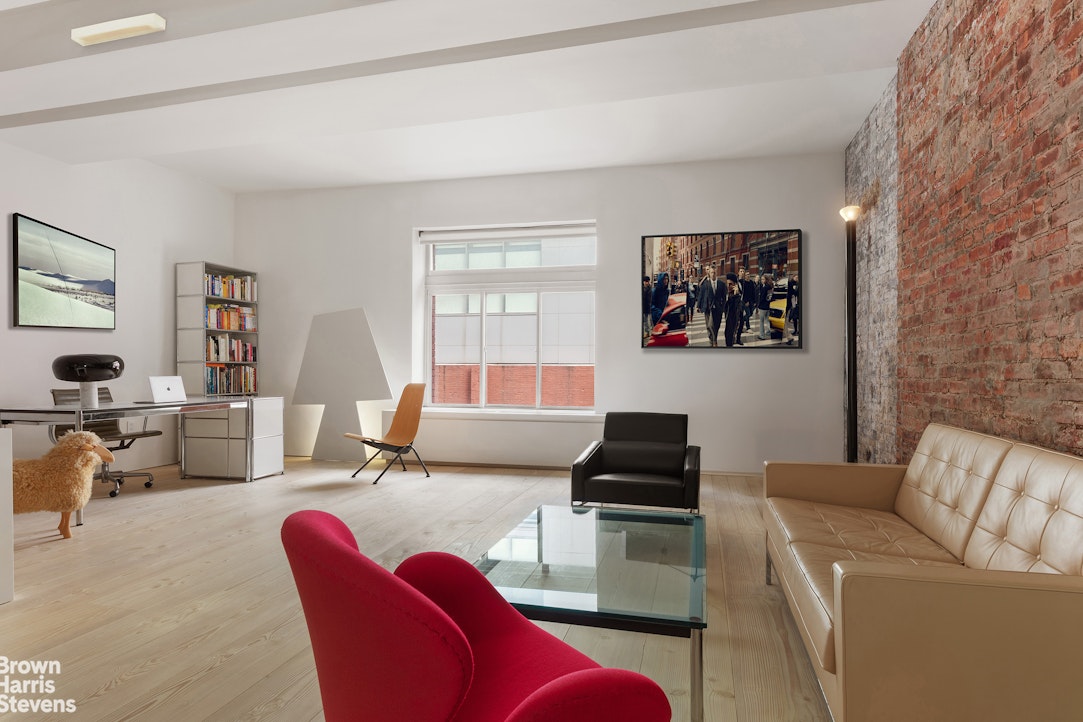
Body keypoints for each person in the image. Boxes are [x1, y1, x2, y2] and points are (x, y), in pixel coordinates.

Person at [696, 265, 725, 347]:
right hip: (708, 308)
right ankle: (712, 341)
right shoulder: (705, 284)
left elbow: (724, 297)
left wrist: (722, 308)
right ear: (709, 273)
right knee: (709, 325)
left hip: (718, 308)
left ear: (717, 273)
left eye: (714, 273)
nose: (713, 274)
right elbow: (701, 295)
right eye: (712, 272)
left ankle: (714, 339)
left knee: (717, 325)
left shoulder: (721, 284)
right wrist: (698, 306)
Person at [723, 273, 744, 347]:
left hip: (732, 325)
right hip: (728, 323)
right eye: (727, 284)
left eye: (730, 284)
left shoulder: (736, 297)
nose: (728, 286)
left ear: (735, 284)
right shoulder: (726, 293)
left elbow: (737, 310)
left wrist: (736, 295)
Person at [756, 273, 773, 340]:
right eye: (761, 279)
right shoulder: (770, 287)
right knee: (767, 320)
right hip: (768, 306)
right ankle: (769, 331)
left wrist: (758, 305)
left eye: (763, 279)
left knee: (761, 321)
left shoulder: (764, 288)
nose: (762, 280)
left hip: (763, 306)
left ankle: (762, 335)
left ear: (766, 280)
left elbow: (762, 298)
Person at [785, 271, 800, 345]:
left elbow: (796, 293)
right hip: (792, 302)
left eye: (797, 277)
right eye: (795, 277)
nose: (796, 278)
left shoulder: (798, 284)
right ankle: (795, 330)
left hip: (796, 303)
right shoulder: (790, 283)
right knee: (794, 317)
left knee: (796, 317)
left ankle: (791, 335)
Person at [740, 268, 756, 333]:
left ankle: (741, 321)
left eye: (749, 274)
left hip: (751, 301)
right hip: (745, 301)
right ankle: (748, 327)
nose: (748, 275)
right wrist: (746, 301)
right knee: (748, 313)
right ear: (744, 276)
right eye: (746, 275)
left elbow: (753, 292)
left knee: (750, 313)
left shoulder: (751, 282)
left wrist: (754, 301)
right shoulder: (743, 282)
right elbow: (744, 293)